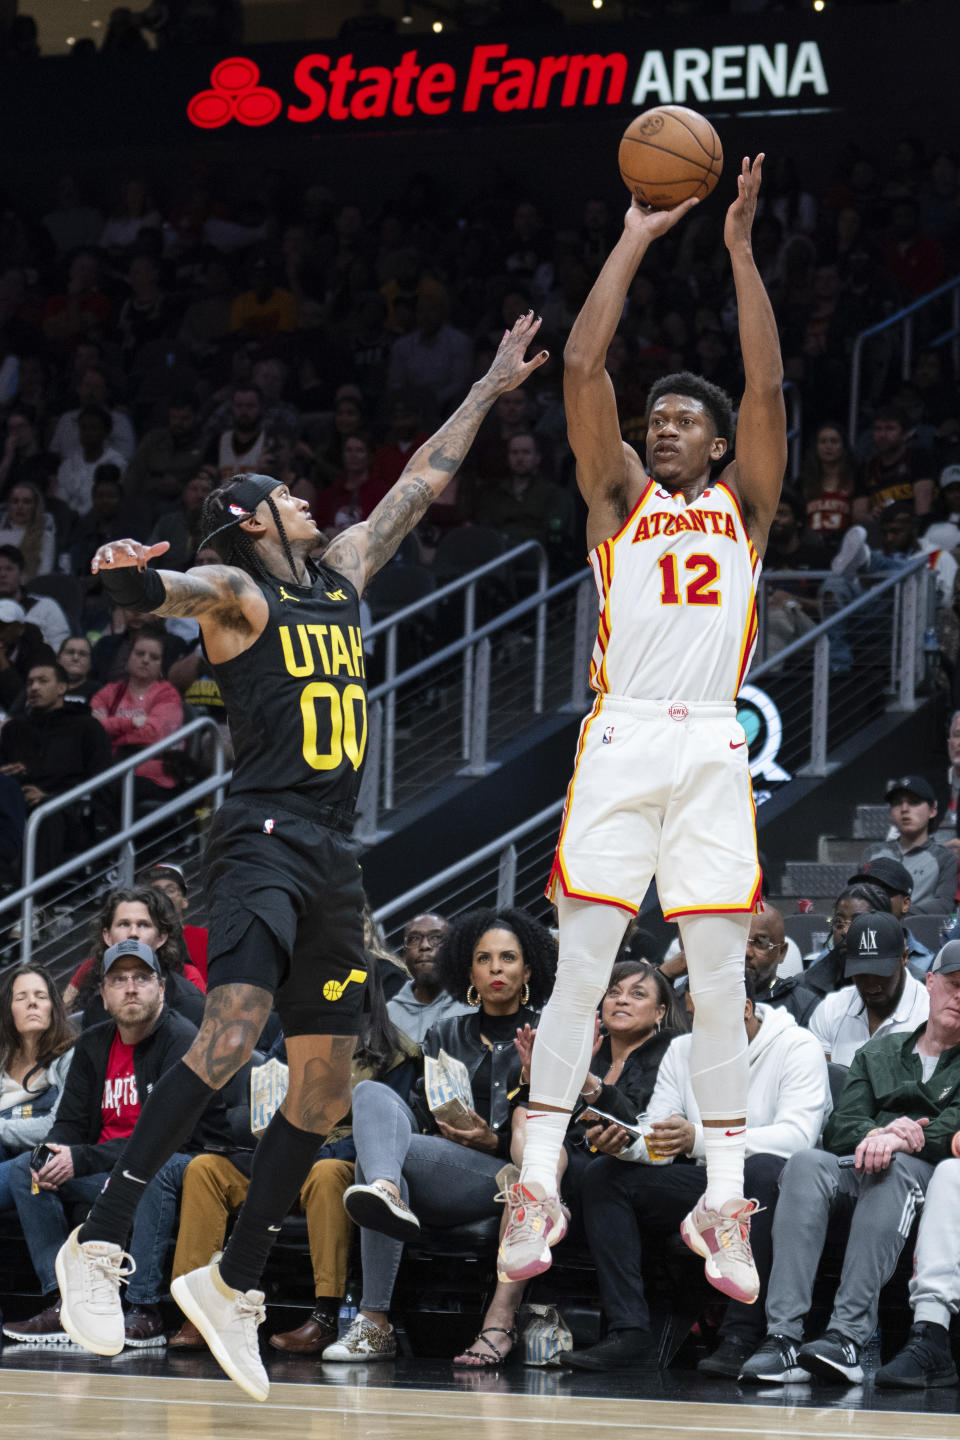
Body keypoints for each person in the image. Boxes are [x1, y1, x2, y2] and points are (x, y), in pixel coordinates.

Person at [53, 312, 548, 1400]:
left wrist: (489, 389)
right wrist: (125, 579)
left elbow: (420, 481)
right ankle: (98, 1237)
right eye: (284, 495)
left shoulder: (338, 575)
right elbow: (161, 593)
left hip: (333, 852)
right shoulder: (239, 593)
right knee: (231, 1029)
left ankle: (230, 1284)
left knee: (322, 1086)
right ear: (248, 518)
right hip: (261, 837)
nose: (306, 501)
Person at [507, 156, 787, 1305]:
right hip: (623, 738)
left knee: (715, 979)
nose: (663, 430)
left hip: (713, 744)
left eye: (683, 422)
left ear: (716, 448)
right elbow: (580, 363)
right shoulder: (619, 502)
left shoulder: (746, 505)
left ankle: (724, 1200)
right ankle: (535, 1178)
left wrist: (736, 252)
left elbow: (766, 389)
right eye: (655, 420)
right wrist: (633, 232)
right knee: (579, 968)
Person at [322, 906, 557, 1363]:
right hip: (437, 1164)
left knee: (377, 1162)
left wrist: (490, 1138)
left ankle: (374, 1321)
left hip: (504, 1177)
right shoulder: (445, 1031)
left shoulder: (545, 1034)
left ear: (528, 968)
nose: (495, 969)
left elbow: (552, 1139)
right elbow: (416, 1113)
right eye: (484, 959)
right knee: (371, 1097)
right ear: (468, 968)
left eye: (507, 958)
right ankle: (386, 1196)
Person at [563, 983, 829, 1375]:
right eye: (692, 1017)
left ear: (745, 1009)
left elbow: (797, 1138)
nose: (697, 1030)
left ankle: (741, 1335)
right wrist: (625, 1145)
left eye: (707, 1019)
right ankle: (630, 1331)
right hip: (702, 1183)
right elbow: (661, 1134)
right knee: (605, 1174)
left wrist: (699, 1138)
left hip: (775, 1188)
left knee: (764, 1170)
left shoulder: (796, 1046)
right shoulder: (683, 1049)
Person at [167, 959, 417, 1355]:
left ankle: (325, 1315)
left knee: (328, 1173)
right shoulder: (292, 1039)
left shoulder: (396, 1050)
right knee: (205, 1170)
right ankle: (200, 1309)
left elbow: (391, 1131)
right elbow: (252, 1109)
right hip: (279, 1155)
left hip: (335, 1159)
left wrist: (315, 1150)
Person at [739, 940, 960, 1386]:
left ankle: (847, 1336)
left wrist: (900, 1141)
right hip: (860, 1163)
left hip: (927, 1177)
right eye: (954, 985)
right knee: (804, 1162)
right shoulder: (878, 1052)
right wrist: (878, 1135)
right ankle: (782, 1336)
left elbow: (951, 1132)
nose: (959, 998)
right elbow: (840, 1126)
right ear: (930, 983)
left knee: (892, 1171)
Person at [454, 958, 684, 1369]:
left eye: (637, 994)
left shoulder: (670, 1054)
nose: (621, 1001)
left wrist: (590, 1087)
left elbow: (646, 1127)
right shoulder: (587, 1047)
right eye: (613, 992)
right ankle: (542, 1200)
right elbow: (528, 1115)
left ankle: (499, 1321)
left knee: (528, 1179)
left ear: (661, 1012)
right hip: (567, 1165)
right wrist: (530, 1078)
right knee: (534, 1137)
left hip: (634, 1172)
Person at [2, 939, 230, 1350]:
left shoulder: (181, 1039)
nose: (130, 988)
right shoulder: (93, 1044)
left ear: (160, 988)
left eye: (141, 978)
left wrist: (82, 1157)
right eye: (119, 980)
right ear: (104, 996)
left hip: (178, 1161)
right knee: (27, 1171)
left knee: (147, 1170)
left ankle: (146, 1308)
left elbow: (166, 1134)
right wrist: (53, 1154)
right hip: (101, 1168)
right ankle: (65, 1301)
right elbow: (69, 1123)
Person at [0, 660, 111, 872]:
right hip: (17, 803)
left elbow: (101, 782)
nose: (34, 687)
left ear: (62, 687)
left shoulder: (86, 727)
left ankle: (32, 899)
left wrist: (49, 796)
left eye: (42, 681)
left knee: (45, 816)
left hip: (69, 809)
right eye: (30, 682)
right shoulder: (14, 729)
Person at [65, 886, 207, 1031]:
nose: (133, 933)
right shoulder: (95, 1002)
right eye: (124, 924)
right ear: (107, 936)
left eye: (143, 925)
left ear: (161, 937)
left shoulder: (188, 1002)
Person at [807, 912, 930, 1066]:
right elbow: (824, 1082)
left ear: (904, 957)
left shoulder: (931, 1014)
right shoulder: (830, 1010)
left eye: (881, 972)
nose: (872, 984)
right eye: (861, 973)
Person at [0, 964, 76, 1212]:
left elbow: (56, 1125)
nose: (32, 1003)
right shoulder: (2, 1058)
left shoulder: (68, 1057)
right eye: (21, 998)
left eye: (40, 996)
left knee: (25, 1164)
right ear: (8, 1010)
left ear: (52, 1007)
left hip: (43, 1156)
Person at [90, 623, 184, 802]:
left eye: (154, 657)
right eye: (139, 654)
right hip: (112, 770)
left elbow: (153, 735)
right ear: (129, 657)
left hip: (152, 777)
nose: (145, 660)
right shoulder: (110, 692)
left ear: (161, 665)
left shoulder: (167, 695)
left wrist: (111, 731)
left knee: (109, 790)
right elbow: (93, 729)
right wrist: (131, 723)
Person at [864, 774, 957, 915]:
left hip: (921, 933)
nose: (904, 809)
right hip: (875, 933)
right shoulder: (873, 853)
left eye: (914, 802)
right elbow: (856, 897)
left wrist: (896, 913)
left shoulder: (945, 858)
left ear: (933, 810)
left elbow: (944, 906)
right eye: (897, 803)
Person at [386, 912, 472, 1044]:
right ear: (404, 954)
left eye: (437, 938)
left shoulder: (474, 1005)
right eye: (414, 939)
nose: (425, 946)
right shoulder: (388, 1016)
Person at [845, 856, 935, 973]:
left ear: (905, 904)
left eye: (882, 892)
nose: (870, 899)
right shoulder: (840, 954)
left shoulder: (927, 963)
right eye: (863, 891)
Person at [137, 861, 208, 985]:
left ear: (184, 900)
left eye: (170, 889)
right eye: (157, 890)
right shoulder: (138, 938)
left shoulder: (205, 937)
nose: (164, 895)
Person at [744, 905, 818, 1024]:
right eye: (741, 939)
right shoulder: (713, 995)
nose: (746, 952)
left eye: (760, 942)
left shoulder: (803, 1005)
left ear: (782, 952)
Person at [0, 544, 70, 653]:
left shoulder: (46, 607)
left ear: (22, 575)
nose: (2, 574)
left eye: (9, 569)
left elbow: (61, 649)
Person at [0, 481, 57, 578]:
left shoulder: (46, 537)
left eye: (26, 502)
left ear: (35, 506)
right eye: (15, 501)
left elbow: (44, 574)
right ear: (9, 506)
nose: (20, 506)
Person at [57, 635, 98, 708]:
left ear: (90, 662)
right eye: (70, 652)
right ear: (58, 658)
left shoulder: (99, 692)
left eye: (83, 654)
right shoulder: (47, 688)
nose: (75, 658)